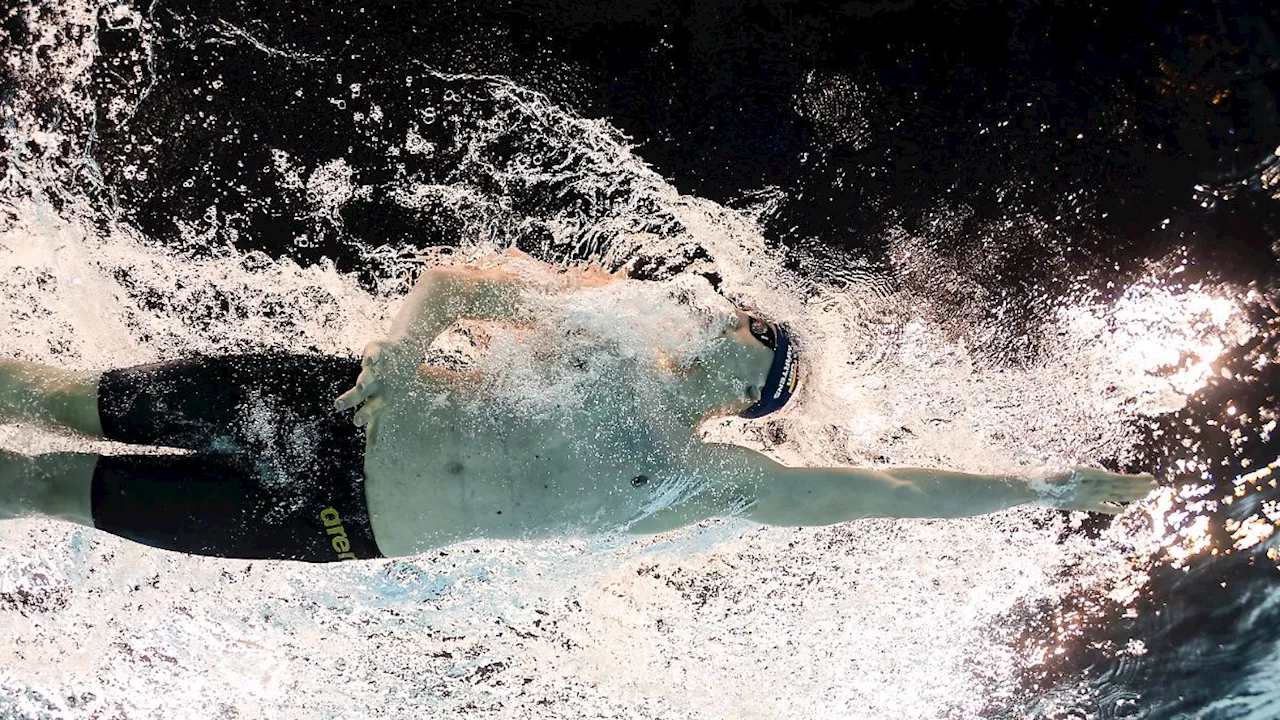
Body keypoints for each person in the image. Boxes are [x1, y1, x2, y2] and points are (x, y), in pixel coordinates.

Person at [0, 249, 1155, 562]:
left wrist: (1047, 488)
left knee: (47, 488)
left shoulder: (717, 479)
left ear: (752, 387)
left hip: (334, 530)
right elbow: (460, 273)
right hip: (324, 411)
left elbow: (891, 492)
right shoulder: (601, 332)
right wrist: (401, 356)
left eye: (747, 327)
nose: (719, 313)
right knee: (55, 395)